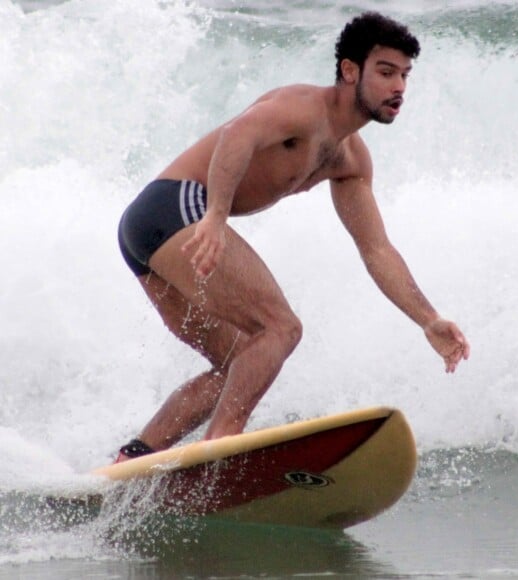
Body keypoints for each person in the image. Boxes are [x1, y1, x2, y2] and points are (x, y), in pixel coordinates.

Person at [115, 12, 470, 462]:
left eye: (404, 75)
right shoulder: (302, 107)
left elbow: (376, 249)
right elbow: (236, 135)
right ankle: (220, 448)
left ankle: (133, 457)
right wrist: (216, 217)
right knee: (280, 327)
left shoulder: (350, 161)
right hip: (175, 207)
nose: (398, 86)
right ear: (349, 71)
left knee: (240, 362)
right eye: (385, 72)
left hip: (150, 235)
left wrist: (427, 318)